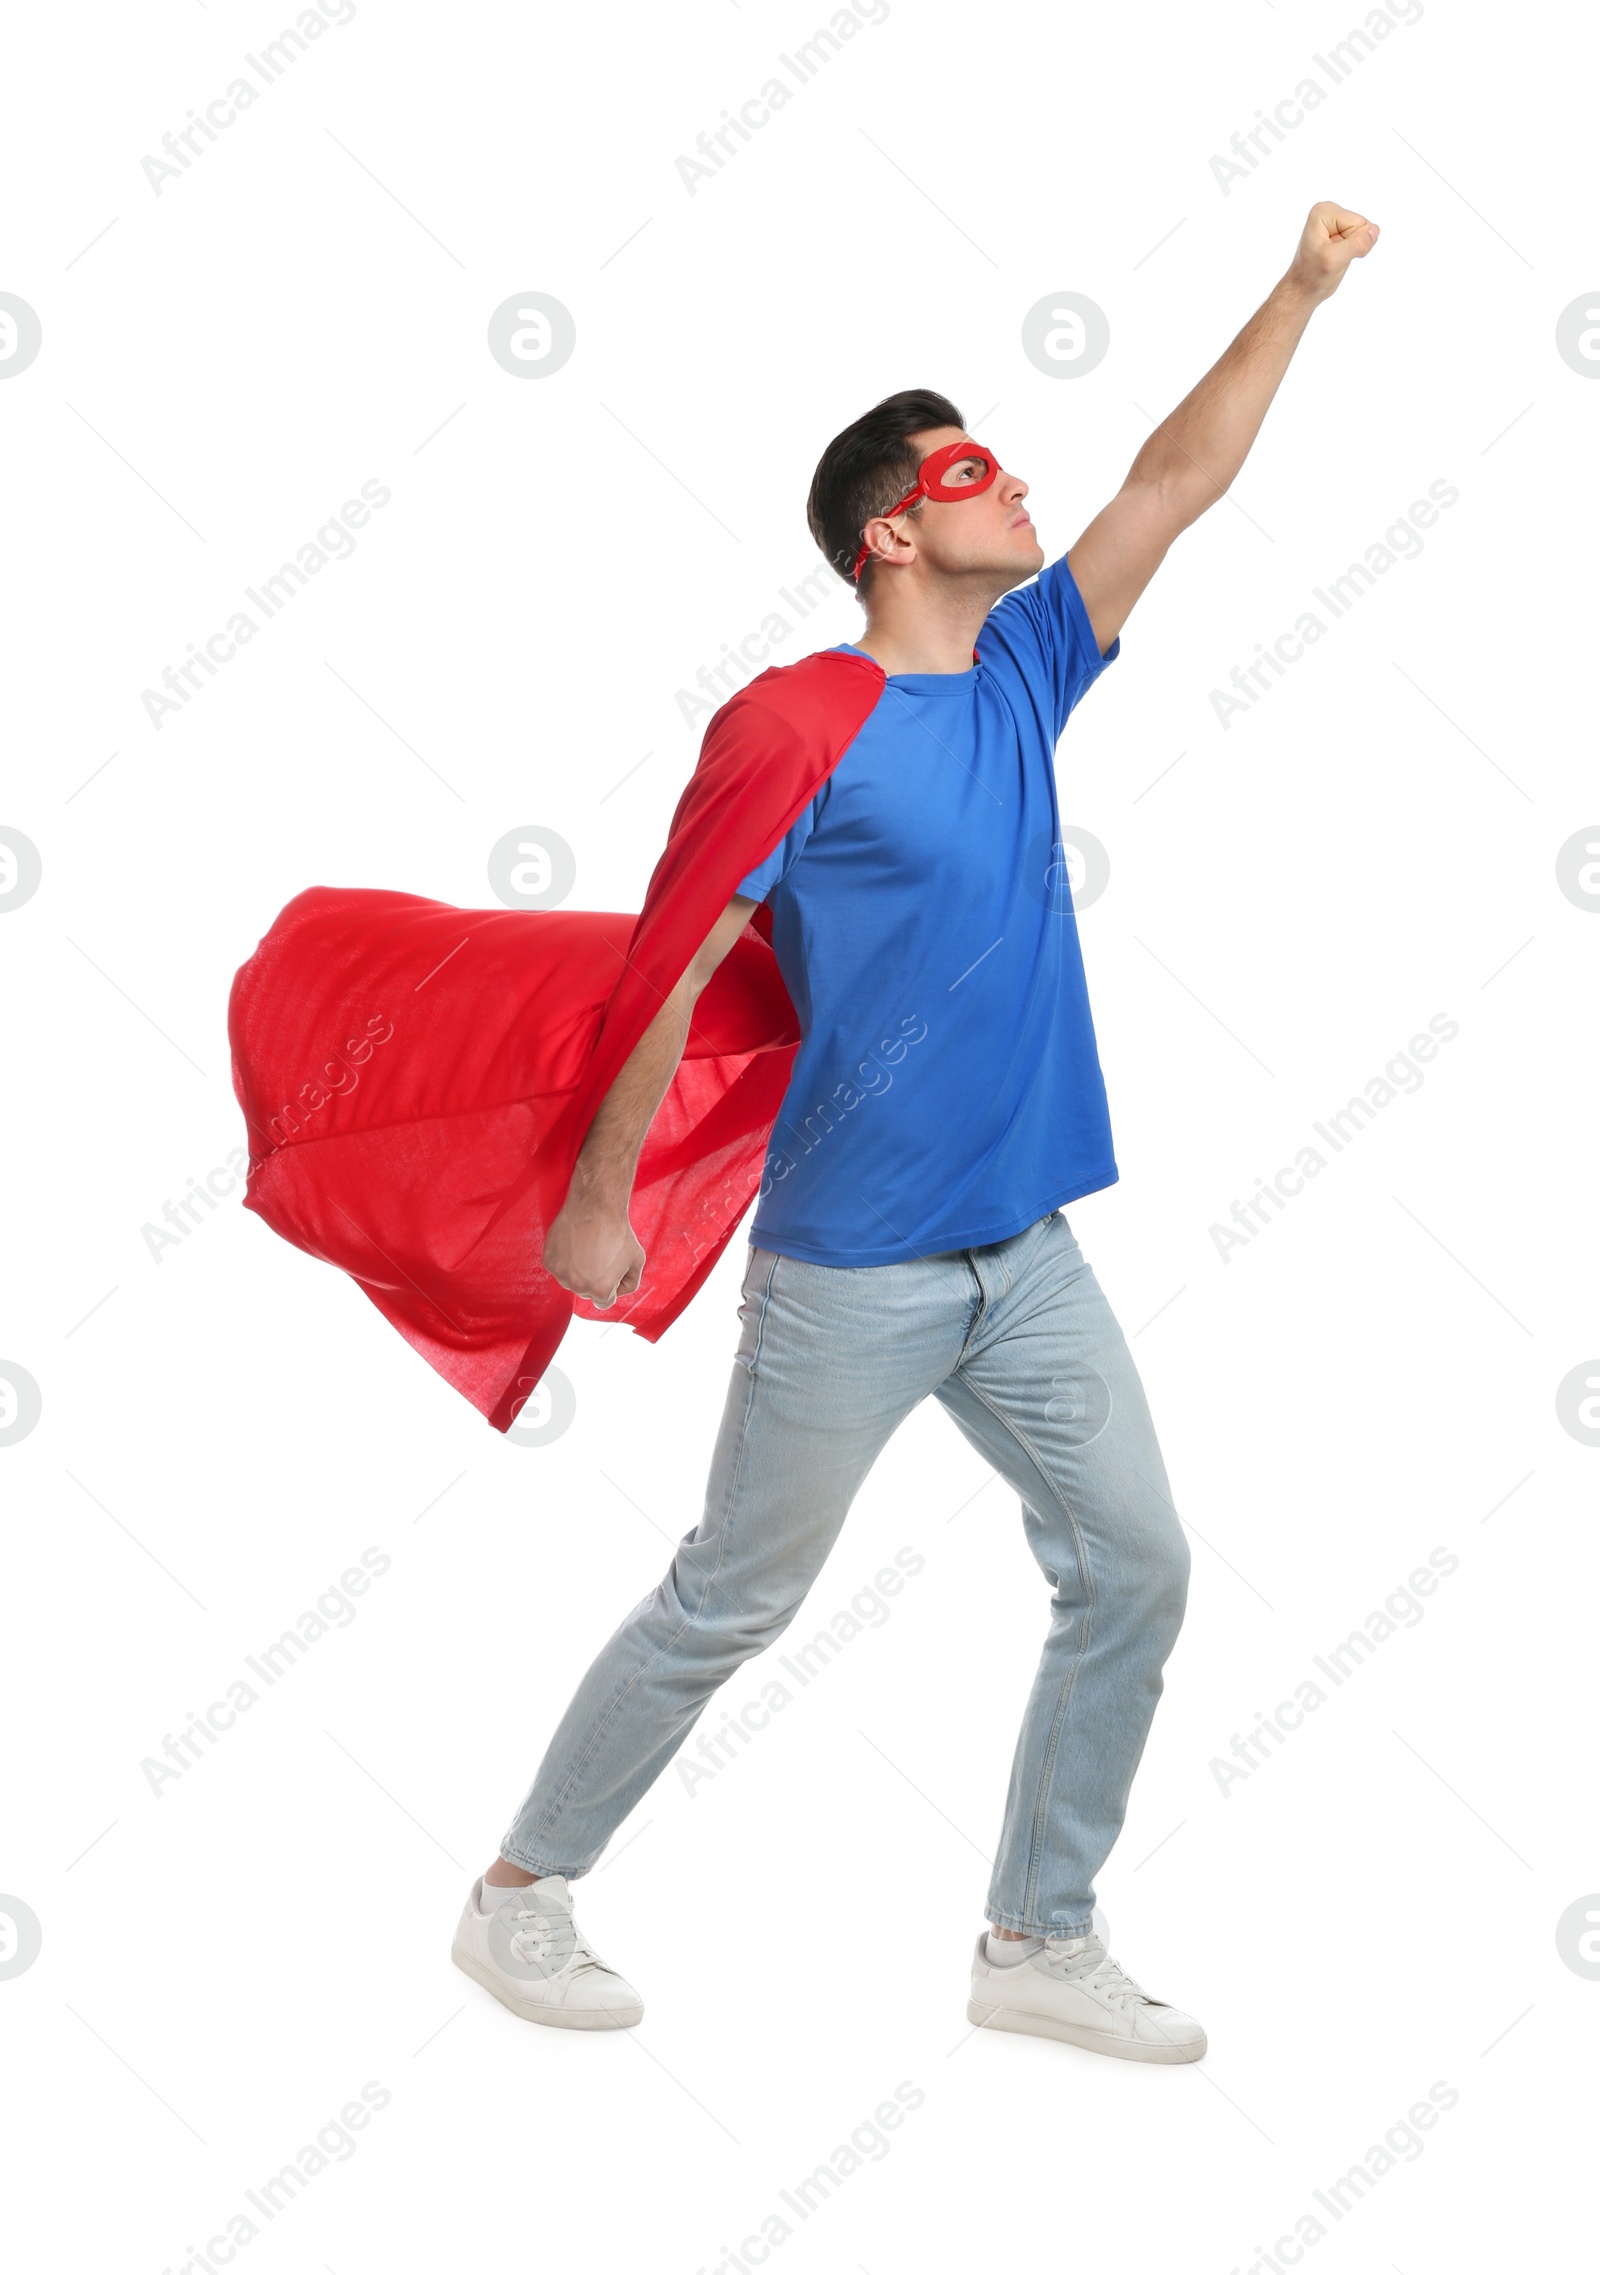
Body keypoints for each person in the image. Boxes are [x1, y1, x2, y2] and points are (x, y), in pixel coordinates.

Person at [451, 201, 1380, 2059]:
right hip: (856, 1269)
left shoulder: (1027, 671)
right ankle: (519, 1898)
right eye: (977, 472)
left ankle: (1037, 1937)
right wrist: (595, 1197)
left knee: (1139, 1563)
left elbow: (1173, 479)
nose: (1019, 485)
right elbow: (679, 952)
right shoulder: (798, 721)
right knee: (733, 1599)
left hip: (1025, 1251)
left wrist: (1300, 287)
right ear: (895, 531)